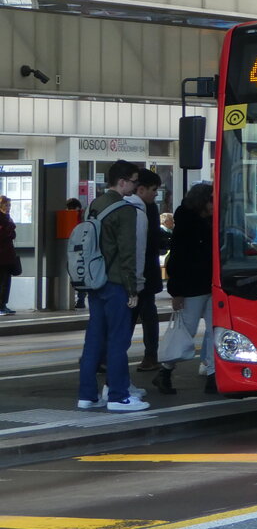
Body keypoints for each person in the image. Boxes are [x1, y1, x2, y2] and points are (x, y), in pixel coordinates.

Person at [76, 160, 149, 412]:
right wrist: (132, 289)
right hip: (116, 283)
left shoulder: (94, 205)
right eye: (134, 181)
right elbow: (128, 253)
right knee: (118, 340)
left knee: (94, 339)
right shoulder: (125, 210)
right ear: (122, 181)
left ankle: (87, 395)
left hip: (94, 281)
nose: (135, 186)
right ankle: (118, 396)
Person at [154, 182, 215, 395]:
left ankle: (213, 374)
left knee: (214, 330)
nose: (214, 203)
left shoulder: (205, 221)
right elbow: (177, 258)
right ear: (203, 201)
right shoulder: (189, 224)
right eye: (211, 199)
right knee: (188, 330)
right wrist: (177, 291)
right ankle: (166, 370)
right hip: (193, 285)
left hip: (208, 284)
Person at [130, 169, 164, 372]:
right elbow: (150, 242)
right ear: (141, 189)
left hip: (141, 274)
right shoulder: (144, 209)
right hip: (142, 274)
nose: (156, 194)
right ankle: (150, 355)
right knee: (145, 314)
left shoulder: (144, 207)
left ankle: (107, 356)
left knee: (135, 313)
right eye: (154, 190)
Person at [66, 198, 87, 309]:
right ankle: (80, 299)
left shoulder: (78, 217)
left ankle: (80, 299)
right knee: (80, 273)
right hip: (80, 249)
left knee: (77, 273)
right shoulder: (83, 216)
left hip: (76, 249)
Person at [0, 196, 17, 315]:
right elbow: (5, 234)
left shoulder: (8, 218)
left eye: (9, 205)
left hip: (7, 255)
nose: (8, 207)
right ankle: (1, 306)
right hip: (2, 255)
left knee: (6, 281)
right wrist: (10, 229)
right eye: (6, 205)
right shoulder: (4, 219)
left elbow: (12, 234)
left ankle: (3, 304)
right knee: (2, 281)